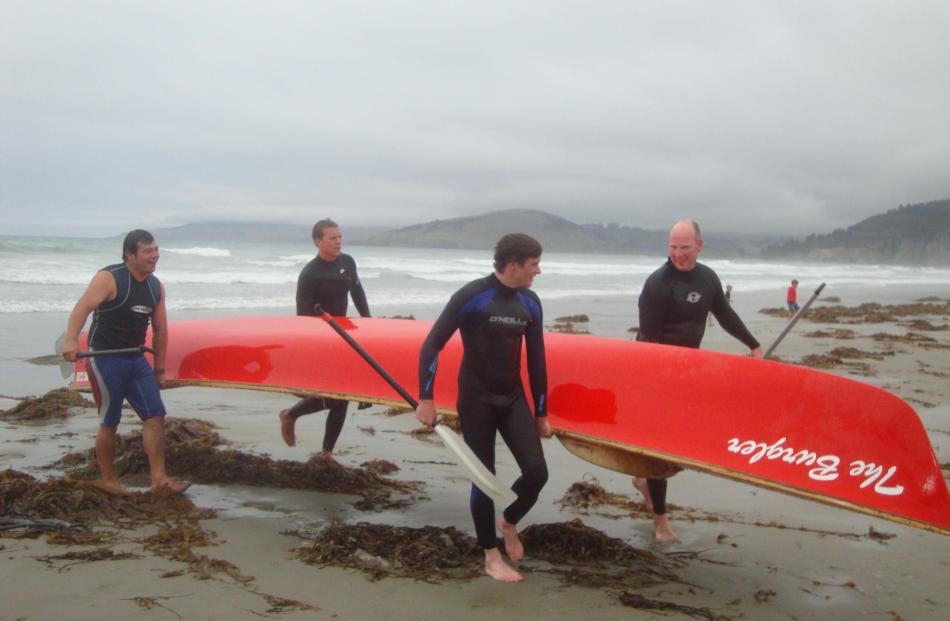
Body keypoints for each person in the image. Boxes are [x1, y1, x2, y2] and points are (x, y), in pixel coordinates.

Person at [415, 233, 552, 583]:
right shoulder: (473, 297)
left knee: (537, 473)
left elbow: (537, 361)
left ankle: (508, 522)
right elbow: (432, 345)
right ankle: (491, 556)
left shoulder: (531, 303)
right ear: (513, 265)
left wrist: (540, 411)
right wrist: (426, 399)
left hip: (513, 398)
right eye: (534, 264)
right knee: (483, 477)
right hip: (476, 400)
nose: (539, 270)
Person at [635, 220, 763, 541]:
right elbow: (648, 341)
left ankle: (642, 480)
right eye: (673, 247)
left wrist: (754, 345)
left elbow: (725, 315)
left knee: (673, 447)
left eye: (685, 247)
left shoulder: (707, 279)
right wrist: (657, 387)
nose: (678, 254)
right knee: (660, 449)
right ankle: (661, 522)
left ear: (699, 245)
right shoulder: (658, 284)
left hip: (686, 375)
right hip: (656, 375)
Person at [62, 229, 189, 495]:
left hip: (135, 357)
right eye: (148, 251)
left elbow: (161, 329)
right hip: (105, 358)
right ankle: (108, 480)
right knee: (110, 419)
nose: (155, 256)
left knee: (155, 415)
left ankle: (159, 479)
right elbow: (83, 307)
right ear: (130, 255)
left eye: (156, 250)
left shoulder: (156, 287)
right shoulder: (109, 278)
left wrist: (160, 369)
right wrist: (72, 340)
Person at [278, 219, 371, 453]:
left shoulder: (348, 262)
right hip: (322, 341)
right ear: (317, 241)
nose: (338, 241)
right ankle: (291, 415)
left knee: (343, 397)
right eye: (332, 238)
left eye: (339, 237)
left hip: (344, 336)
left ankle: (326, 452)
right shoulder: (310, 274)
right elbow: (303, 318)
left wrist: (369, 323)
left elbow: (357, 292)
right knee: (338, 397)